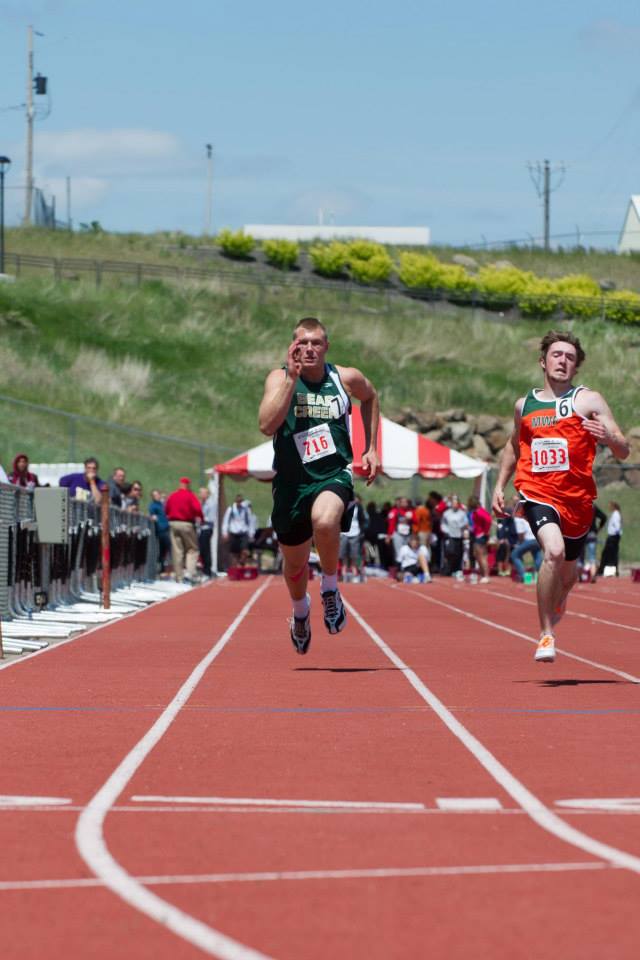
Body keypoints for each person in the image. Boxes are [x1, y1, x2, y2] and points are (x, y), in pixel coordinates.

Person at [492, 330, 629, 663]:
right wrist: (500, 485)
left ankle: (558, 600)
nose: (562, 361)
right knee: (552, 551)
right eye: (556, 354)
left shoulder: (589, 401)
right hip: (537, 492)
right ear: (543, 361)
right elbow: (514, 446)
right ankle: (545, 635)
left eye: (569, 357)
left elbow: (624, 450)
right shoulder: (525, 405)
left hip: (577, 500)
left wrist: (607, 436)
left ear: (576, 367)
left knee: (567, 577)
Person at [258, 315, 379, 654]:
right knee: (294, 565)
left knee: (325, 521)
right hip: (291, 483)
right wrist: (291, 380)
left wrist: (371, 447)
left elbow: (370, 397)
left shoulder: (345, 378)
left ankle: (329, 588)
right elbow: (267, 425)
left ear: (326, 347)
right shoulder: (279, 378)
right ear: (292, 347)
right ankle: (300, 612)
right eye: (302, 343)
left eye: (316, 343)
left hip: (332, 474)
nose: (309, 349)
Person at [164, 477, 204, 583]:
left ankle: (179, 577)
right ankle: (190, 573)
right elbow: (197, 509)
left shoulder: (173, 495)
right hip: (186, 523)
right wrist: (201, 518)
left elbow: (166, 509)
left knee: (177, 551)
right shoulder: (190, 496)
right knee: (192, 549)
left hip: (173, 523)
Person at [222, 493, 255, 567]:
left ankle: (242, 562)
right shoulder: (231, 509)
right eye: (238, 501)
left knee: (245, 551)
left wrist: (251, 533)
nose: (239, 503)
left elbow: (250, 521)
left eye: (240, 501)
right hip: (234, 533)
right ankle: (236, 567)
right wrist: (225, 532)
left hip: (243, 533)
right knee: (234, 552)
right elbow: (226, 521)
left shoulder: (246, 510)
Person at [339, 494, 367, 582]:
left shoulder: (359, 508)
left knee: (354, 554)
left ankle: (354, 570)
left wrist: (362, 531)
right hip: (344, 533)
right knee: (343, 553)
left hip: (356, 532)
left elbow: (363, 520)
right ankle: (344, 571)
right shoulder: (344, 506)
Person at [440, 495, 468, 576]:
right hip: (450, 535)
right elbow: (443, 523)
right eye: (453, 503)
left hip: (459, 535)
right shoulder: (446, 513)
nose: (455, 505)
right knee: (450, 552)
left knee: (458, 553)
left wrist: (463, 530)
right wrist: (446, 531)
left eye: (456, 503)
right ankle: (448, 569)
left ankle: (457, 569)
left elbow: (465, 523)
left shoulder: (462, 513)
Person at [467, 494, 492, 583]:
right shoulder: (476, 512)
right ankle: (483, 574)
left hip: (480, 536)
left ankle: (485, 575)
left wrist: (485, 532)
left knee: (482, 556)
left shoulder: (480, 512)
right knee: (478, 555)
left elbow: (488, 520)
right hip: (477, 534)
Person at [510, 514, 542, 582]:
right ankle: (537, 577)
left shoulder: (518, 518)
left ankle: (525, 577)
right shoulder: (531, 514)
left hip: (529, 540)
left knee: (514, 555)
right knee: (537, 556)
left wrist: (520, 544)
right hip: (538, 539)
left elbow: (521, 533)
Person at [582, 503, 606, 583]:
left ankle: (580, 576)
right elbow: (604, 517)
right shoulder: (593, 506)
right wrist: (599, 528)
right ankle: (592, 576)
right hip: (592, 533)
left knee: (580, 556)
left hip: (582, 533)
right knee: (592, 557)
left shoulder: (580, 504)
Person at [148, 489, 171, 573]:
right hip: (161, 530)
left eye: (158, 494)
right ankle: (162, 567)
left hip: (166, 528)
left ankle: (162, 568)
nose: (157, 496)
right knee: (168, 547)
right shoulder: (153, 506)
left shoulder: (161, 505)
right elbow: (152, 515)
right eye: (155, 495)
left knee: (163, 550)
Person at [598, 501, 623, 577]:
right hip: (614, 536)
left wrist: (615, 535)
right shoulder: (615, 514)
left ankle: (604, 570)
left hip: (613, 536)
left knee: (607, 553)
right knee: (612, 553)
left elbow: (617, 527)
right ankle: (613, 569)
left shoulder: (616, 515)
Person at [198, 485, 216, 577]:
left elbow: (211, 518)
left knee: (205, 549)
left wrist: (202, 519)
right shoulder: (203, 503)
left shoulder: (211, 504)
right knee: (202, 549)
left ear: (207, 494)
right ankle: (205, 568)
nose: (200, 495)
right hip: (202, 528)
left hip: (207, 528)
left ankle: (207, 570)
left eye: (201, 493)